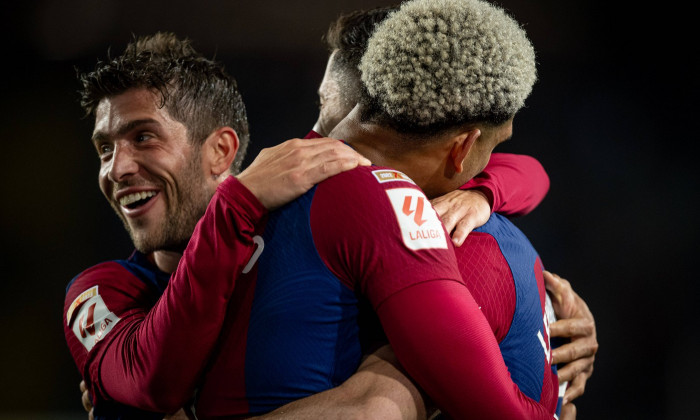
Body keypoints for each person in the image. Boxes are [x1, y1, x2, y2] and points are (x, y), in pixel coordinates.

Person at [65, 30, 550, 419]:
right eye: (104, 149)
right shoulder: (103, 292)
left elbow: (514, 165)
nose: (116, 167)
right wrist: (233, 208)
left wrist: (485, 192)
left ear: (221, 151)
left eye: (143, 137)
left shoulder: (304, 221)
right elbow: (151, 382)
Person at [312, 3, 598, 417]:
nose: (323, 132)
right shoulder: (286, 186)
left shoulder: (454, 231)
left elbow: (532, 172)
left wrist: (484, 194)